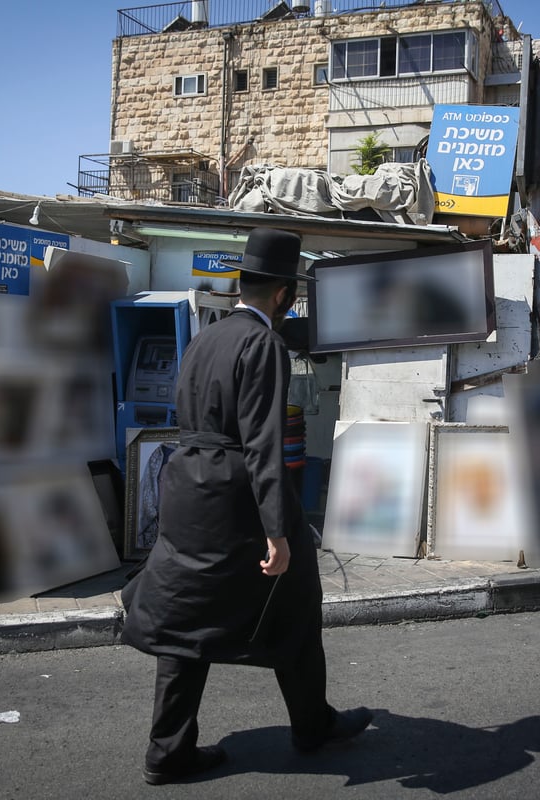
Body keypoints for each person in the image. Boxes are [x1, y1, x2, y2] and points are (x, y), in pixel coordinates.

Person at [121, 227, 372, 786]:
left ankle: (169, 751)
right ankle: (311, 727)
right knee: (299, 602)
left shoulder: (206, 337)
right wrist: (278, 532)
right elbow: (262, 443)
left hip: (189, 491)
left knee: (185, 619)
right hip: (237, 497)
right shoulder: (264, 344)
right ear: (284, 294)